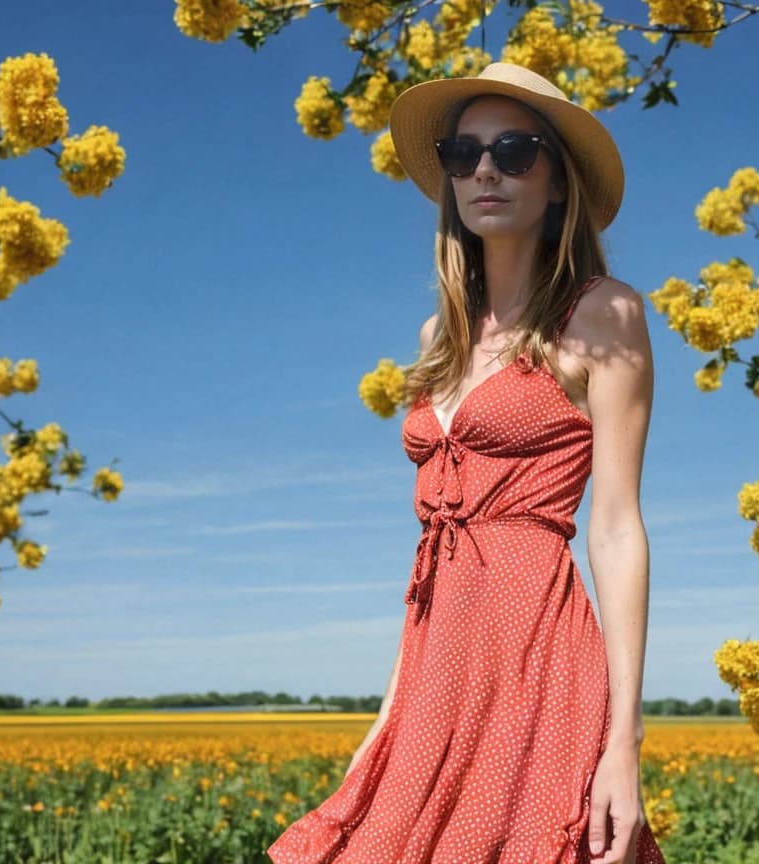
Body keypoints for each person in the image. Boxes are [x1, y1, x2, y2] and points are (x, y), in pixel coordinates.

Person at [267, 61, 664, 864]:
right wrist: (390, 713)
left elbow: (617, 527)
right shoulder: (435, 340)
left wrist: (625, 742)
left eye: (516, 151)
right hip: (435, 662)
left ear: (557, 183)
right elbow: (436, 560)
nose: (486, 169)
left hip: (537, 653)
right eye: (464, 153)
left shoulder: (603, 314)